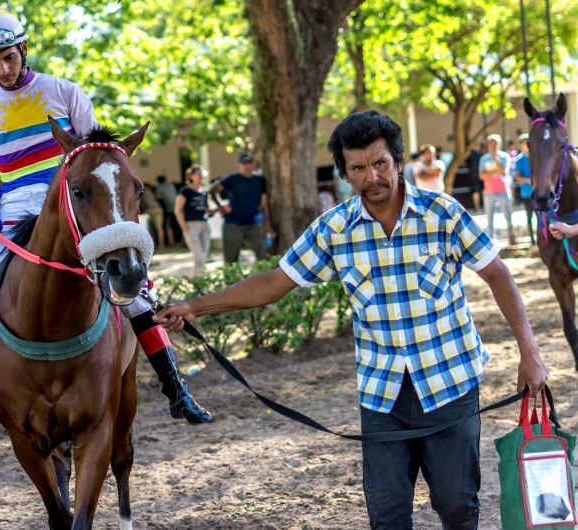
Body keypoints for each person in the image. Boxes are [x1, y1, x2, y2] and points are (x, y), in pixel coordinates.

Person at [155, 110, 549, 530]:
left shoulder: (443, 214)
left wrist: (530, 354)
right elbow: (274, 282)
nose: (372, 176)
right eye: (358, 168)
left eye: (380, 163)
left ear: (399, 161)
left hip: (450, 384)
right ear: (345, 173)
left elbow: (497, 274)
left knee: (457, 507)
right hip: (382, 395)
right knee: (387, 517)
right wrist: (196, 307)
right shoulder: (334, 230)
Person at [0, 10, 211, 462]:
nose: (3, 69)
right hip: (11, 218)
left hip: (73, 211)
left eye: (8, 58)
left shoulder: (64, 92)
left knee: (136, 293)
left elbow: (95, 157)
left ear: (23, 49)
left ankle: (176, 388)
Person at [210, 153, 273, 264]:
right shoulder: (233, 179)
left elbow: (264, 204)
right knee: (231, 259)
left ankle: (261, 279)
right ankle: (232, 281)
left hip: (252, 223)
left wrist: (266, 222)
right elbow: (213, 189)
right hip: (233, 223)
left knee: (262, 254)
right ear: (239, 165)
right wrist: (221, 207)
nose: (247, 166)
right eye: (244, 163)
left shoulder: (259, 180)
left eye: (250, 162)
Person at [175, 165, 218, 276]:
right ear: (191, 176)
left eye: (201, 174)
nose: (200, 176)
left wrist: (219, 209)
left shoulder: (204, 192)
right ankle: (199, 279)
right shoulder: (186, 191)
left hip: (204, 224)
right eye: (197, 174)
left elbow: (208, 210)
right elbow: (178, 210)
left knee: (204, 254)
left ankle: (198, 279)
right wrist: (184, 228)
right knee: (199, 256)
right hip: (191, 225)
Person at [480, 134, 516, 245]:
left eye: (494, 144)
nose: (492, 146)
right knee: (489, 218)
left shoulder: (505, 157)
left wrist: (495, 158)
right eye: (490, 144)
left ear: (499, 144)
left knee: (507, 216)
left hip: (503, 191)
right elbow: (481, 175)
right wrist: (495, 172)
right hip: (489, 192)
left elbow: (503, 171)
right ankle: (491, 241)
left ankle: (511, 236)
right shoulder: (483, 159)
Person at [514, 134, 535, 244]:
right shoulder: (519, 159)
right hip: (527, 193)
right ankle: (532, 237)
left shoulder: (536, 156)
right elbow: (517, 176)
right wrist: (528, 180)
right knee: (529, 215)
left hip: (539, 192)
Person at [141, 184, 165, 250]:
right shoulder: (151, 191)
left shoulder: (139, 191)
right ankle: (161, 245)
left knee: (147, 228)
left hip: (149, 210)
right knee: (159, 228)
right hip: (158, 208)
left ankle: (151, 246)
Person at [155, 175, 178, 246]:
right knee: (180, 223)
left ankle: (171, 242)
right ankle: (184, 241)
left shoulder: (159, 188)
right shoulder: (171, 185)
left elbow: (158, 197)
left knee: (168, 225)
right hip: (178, 206)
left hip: (169, 208)